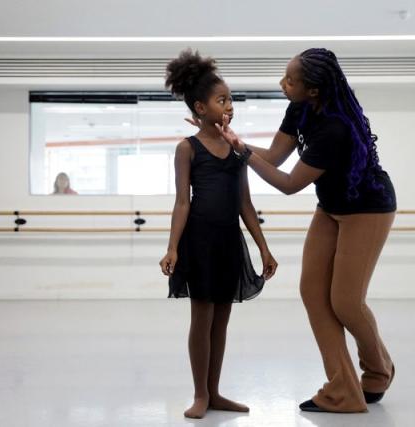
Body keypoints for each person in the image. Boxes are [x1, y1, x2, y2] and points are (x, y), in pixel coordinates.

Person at [214, 48, 397, 413]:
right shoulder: (299, 108)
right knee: (313, 291)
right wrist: (235, 142)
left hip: (367, 206)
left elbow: (288, 183)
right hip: (332, 205)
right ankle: (342, 387)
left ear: (313, 90)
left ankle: (378, 370)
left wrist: (241, 153)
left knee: (346, 302)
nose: (283, 84)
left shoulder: (334, 128)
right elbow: (275, 157)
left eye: (290, 80)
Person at [158, 49, 278, 419]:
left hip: (229, 242)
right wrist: (172, 247)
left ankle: (215, 391)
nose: (229, 105)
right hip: (199, 242)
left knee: (222, 319)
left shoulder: (236, 149)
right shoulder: (186, 149)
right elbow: (182, 203)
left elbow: (245, 203)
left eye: (230, 99)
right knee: (202, 317)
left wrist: (264, 249)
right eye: (221, 99)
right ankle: (199, 394)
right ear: (200, 107)